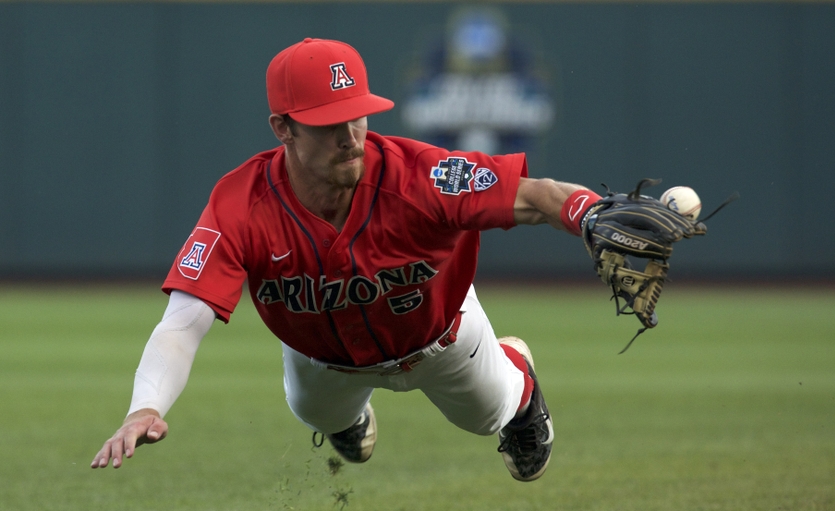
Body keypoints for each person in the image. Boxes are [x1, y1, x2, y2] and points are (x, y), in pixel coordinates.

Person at [91, 37, 610, 482]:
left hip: (439, 337)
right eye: (326, 122)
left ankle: (519, 377)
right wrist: (146, 406)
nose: (349, 136)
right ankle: (346, 418)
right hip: (324, 362)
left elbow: (535, 195)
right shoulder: (240, 204)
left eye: (356, 114)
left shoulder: (419, 176)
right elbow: (183, 323)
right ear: (283, 127)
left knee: (490, 413)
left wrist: (589, 214)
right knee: (315, 413)